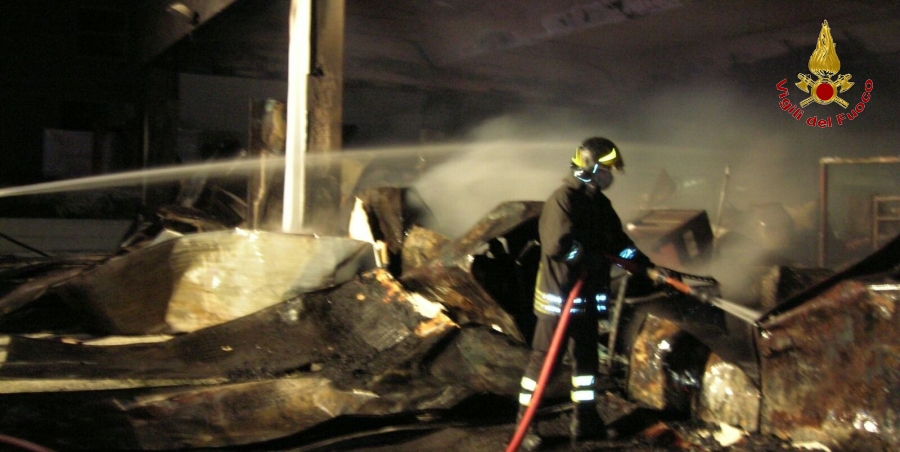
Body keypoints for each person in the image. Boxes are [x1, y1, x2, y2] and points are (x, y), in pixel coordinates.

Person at [515, 137, 654, 449]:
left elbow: (619, 245)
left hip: (587, 299)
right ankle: (526, 424)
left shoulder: (599, 204)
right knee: (543, 365)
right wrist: (590, 257)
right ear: (590, 165)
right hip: (559, 299)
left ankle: (585, 421)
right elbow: (557, 245)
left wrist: (644, 266)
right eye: (606, 169)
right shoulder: (563, 199)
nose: (610, 176)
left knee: (586, 366)